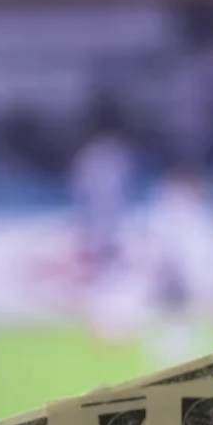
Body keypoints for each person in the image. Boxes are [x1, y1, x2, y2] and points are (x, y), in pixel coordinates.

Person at [134, 160, 213, 371]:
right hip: (176, 278)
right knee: (176, 328)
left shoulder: (181, 212)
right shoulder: (175, 212)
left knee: (179, 329)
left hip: (181, 279)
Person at [69, 100, 139, 345]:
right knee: (117, 275)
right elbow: (129, 189)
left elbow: (78, 192)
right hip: (115, 225)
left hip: (95, 226)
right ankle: (114, 324)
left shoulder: (87, 155)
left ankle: (102, 324)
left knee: (102, 276)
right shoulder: (119, 154)